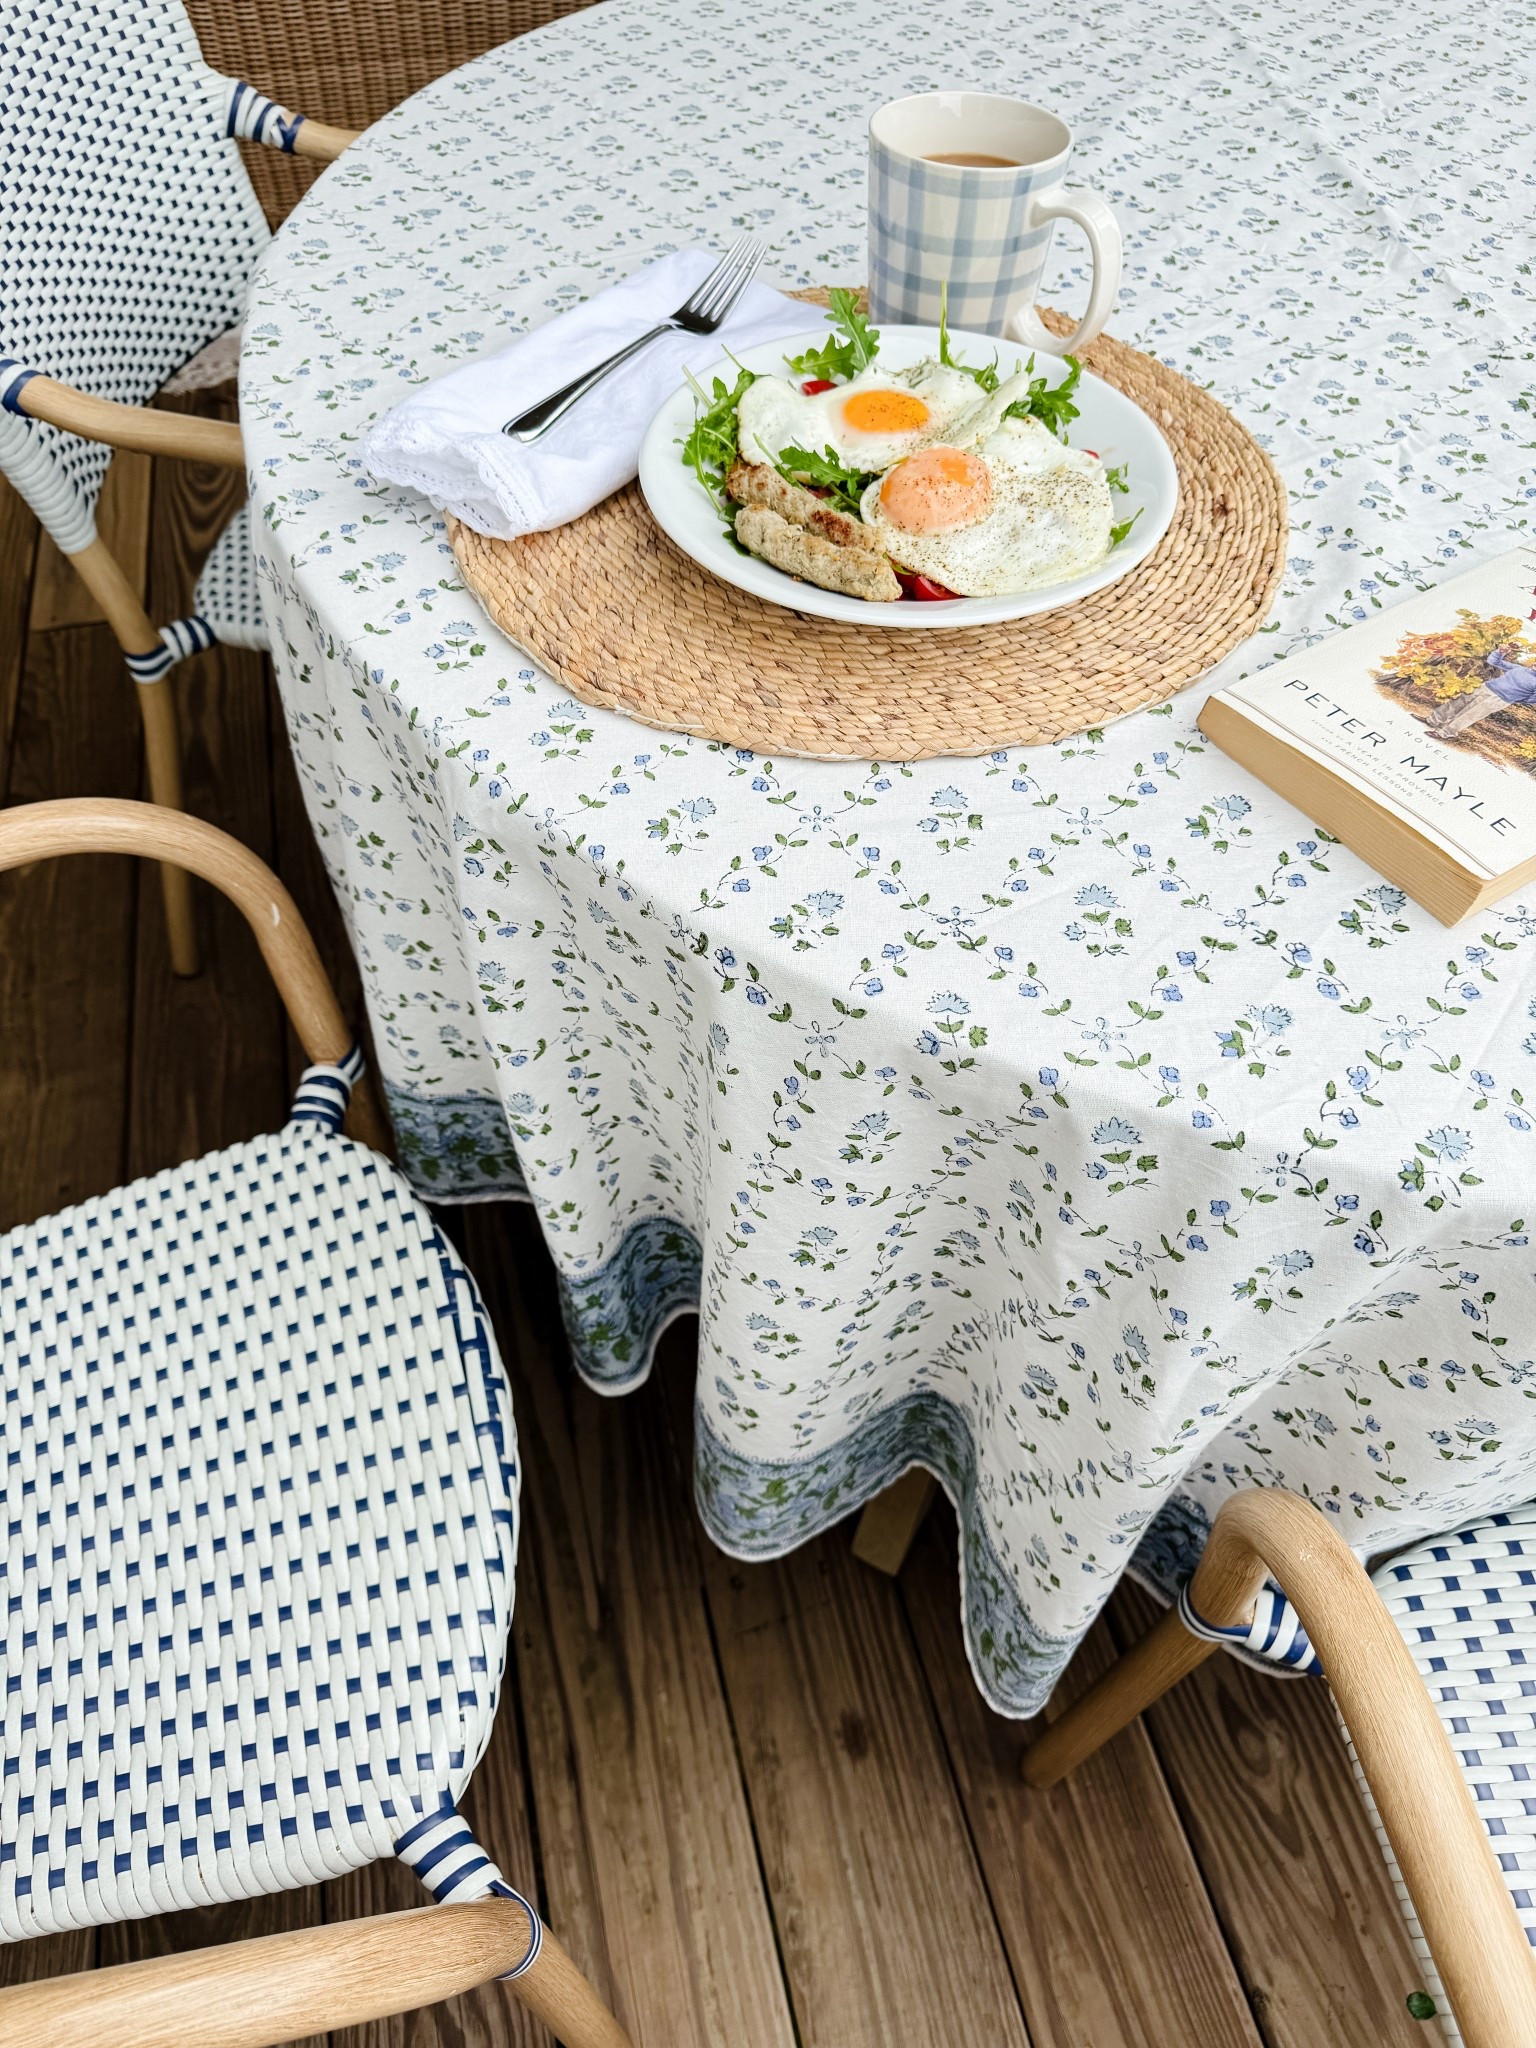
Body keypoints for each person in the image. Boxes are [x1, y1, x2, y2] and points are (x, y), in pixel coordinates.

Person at [1428, 641, 1536, 738]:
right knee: (1457, 702)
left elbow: (1532, 699)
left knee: (1471, 714)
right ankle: (1433, 720)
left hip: (1499, 700)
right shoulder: (1519, 668)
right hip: (1486, 687)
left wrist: (1513, 697)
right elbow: (1493, 661)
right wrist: (1500, 652)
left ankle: (1444, 733)